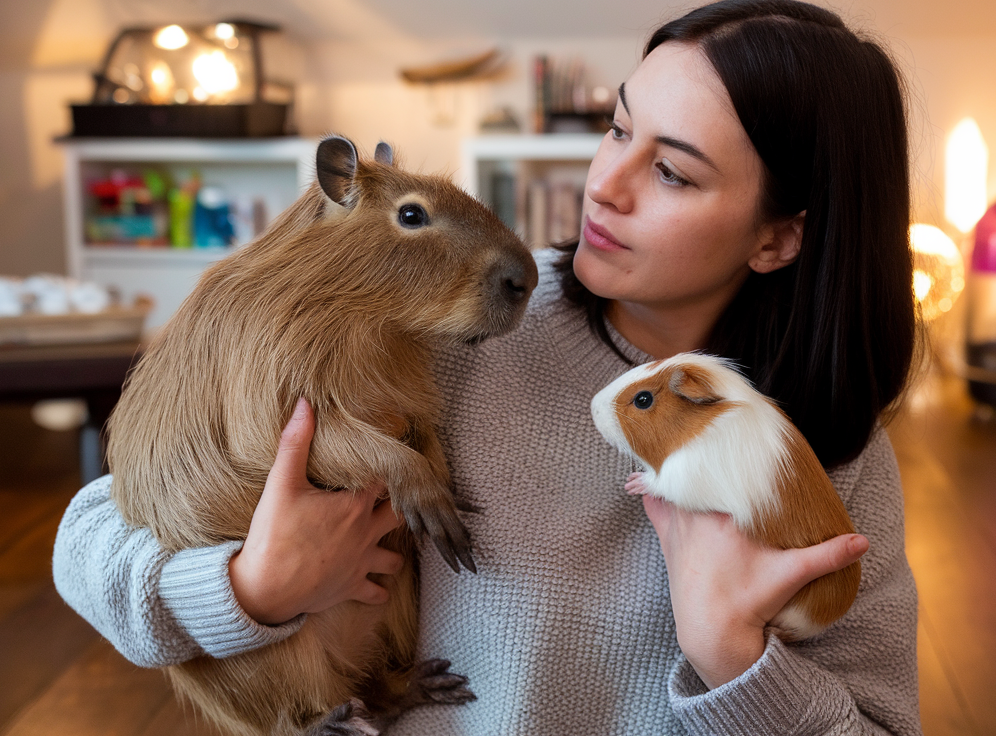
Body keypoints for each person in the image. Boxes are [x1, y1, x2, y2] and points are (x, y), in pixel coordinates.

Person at [53, 1, 921, 733]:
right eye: (616, 128)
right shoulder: (456, 329)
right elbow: (91, 542)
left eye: (670, 172)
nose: (606, 186)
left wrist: (734, 656)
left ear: (778, 238)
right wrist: (251, 588)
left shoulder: (830, 448)